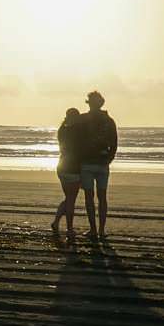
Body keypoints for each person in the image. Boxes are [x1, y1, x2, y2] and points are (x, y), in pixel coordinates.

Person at [76, 90, 118, 239]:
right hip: (102, 162)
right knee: (102, 197)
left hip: (87, 163)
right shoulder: (109, 120)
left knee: (89, 197)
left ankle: (94, 229)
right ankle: (100, 230)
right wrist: (109, 159)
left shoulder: (82, 119)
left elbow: (76, 143)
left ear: (89, 103)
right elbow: (114, 142)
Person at [51, 107, 84, 236]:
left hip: (62, 167)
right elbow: (79, 151)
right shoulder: (76, 132)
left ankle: (56, 222)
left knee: (69, 198)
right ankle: (69, 229)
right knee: (71, 200)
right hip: (72, 168)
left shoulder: (62, 130)